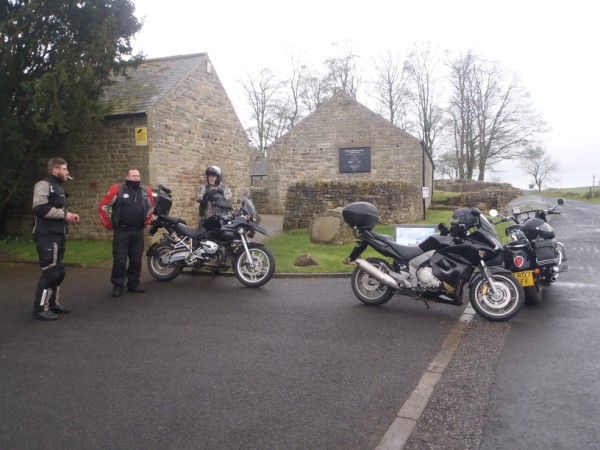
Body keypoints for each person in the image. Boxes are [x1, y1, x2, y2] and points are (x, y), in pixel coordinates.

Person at [31, 157, 80, 321]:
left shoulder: (58, 186)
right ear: (55, 170)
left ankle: (53, 304)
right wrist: (66, 215)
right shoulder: (43, 185)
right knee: (50, 273)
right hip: (46, 236)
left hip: (58, 235)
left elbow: (56, 209)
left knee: (59, 273)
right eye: (65, 169)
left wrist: (68, 216)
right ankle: (40, 309)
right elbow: (40, 208)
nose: (67, 172)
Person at [98, 168, 155, 297]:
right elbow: (103, 206)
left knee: (136, 260)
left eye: (138, 176)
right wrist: (108, 224)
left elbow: (151, 206)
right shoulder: (117, 189)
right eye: (133, 176)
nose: (136, 178)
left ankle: (134, 283)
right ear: (127, 177)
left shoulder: (145, 191)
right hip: (121, 232)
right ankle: (118, 285)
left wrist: (146, 221)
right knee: (120, 260)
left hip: (138, 231)